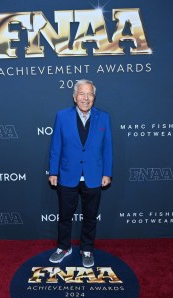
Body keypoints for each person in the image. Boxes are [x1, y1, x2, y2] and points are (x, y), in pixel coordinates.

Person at [48, 79, 113, 267]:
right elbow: (56, 146)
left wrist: (107, 173)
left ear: (94, 97)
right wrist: (53, 171)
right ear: (74, 97)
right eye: (82, 94)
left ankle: (87, 250)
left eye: (90, 94)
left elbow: (107, 148)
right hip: (68, 174)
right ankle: (63, 247)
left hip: (94, 175)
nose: (86, 98)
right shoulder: (62, 116)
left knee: (90, 217)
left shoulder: (104, 117)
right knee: (64, 216)